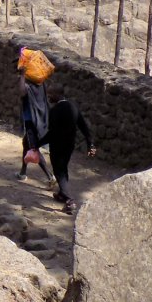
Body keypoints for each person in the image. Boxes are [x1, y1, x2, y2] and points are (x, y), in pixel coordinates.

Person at [43, 83, 96, 214]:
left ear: (57, 94)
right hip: (69, 145)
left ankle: (69, 200)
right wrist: (91, 144)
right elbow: (84, 126)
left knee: (59, 171)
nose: (48, 97)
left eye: (50, 94)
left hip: (57, 145)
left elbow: (51, 133)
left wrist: (36, 144)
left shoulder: (55, 111)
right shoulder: (73, 106)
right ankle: (62, 194)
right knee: (63, 168)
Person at [17, 73, 53, 185]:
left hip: (31, 121)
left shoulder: (31, 85)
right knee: (26, 143)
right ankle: (22, 172)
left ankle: (50, 177)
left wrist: (21, 76)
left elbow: (22, 93)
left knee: (33, 149)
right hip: (39, 120)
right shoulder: (40, 83)